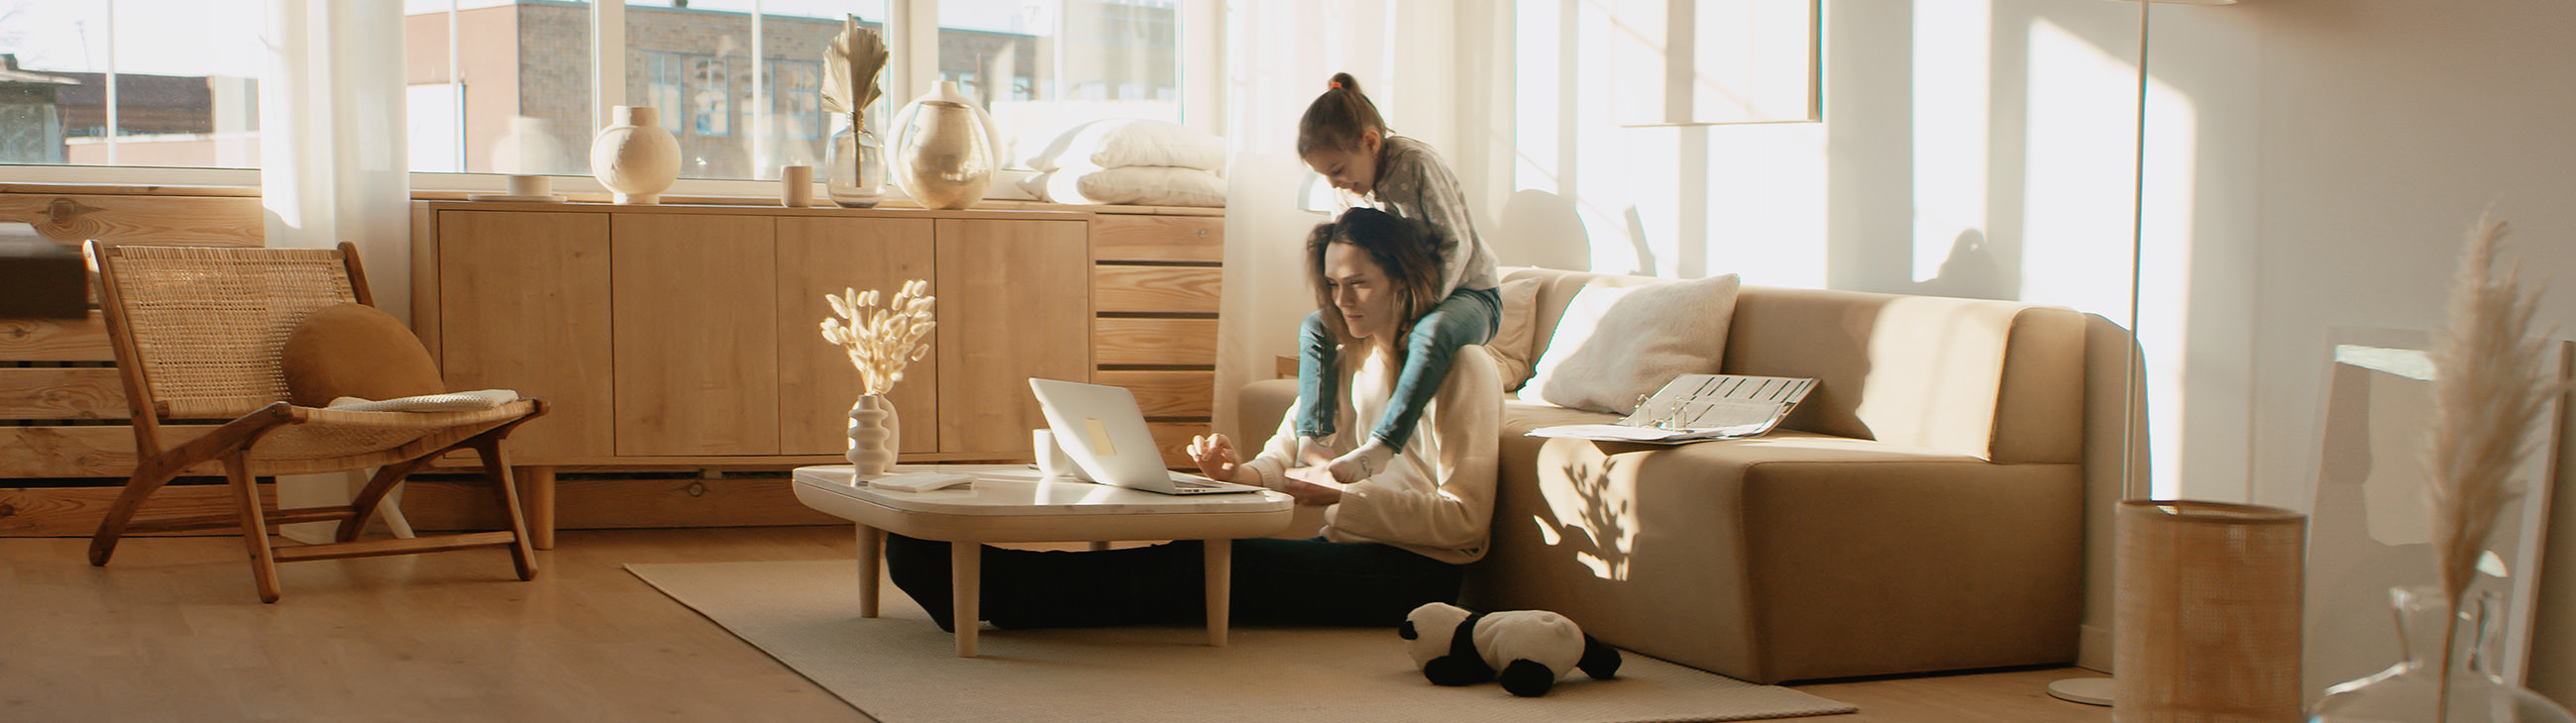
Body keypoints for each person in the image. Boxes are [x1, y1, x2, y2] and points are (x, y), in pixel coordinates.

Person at [881, 208, 1501, 632]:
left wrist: (1340, 498)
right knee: (1204, 552)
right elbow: (1283, 460)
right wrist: (1239, 472)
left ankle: (999, 592)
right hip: (1346, 550)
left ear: (1405, 281)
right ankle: (1002, 586)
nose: (1343, 301)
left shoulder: (1463, 370)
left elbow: (1466, 523)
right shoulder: (1343, 361)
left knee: (1218, 568)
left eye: (1361, 284)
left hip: (1417, 579)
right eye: (1335, 285)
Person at [1295, 72, 1502, 487]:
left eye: (1337, 169)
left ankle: (1383, 445)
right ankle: (1313, 438)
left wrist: (1414, 309)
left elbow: (1455, 244)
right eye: (1325, 176)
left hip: (1467, 292)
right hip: (1402, 299)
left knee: (1432, 332)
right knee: (1315, 327)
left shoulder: (1417, 164)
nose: (1335, 183)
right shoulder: (1347, 187)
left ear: (1370, 142)